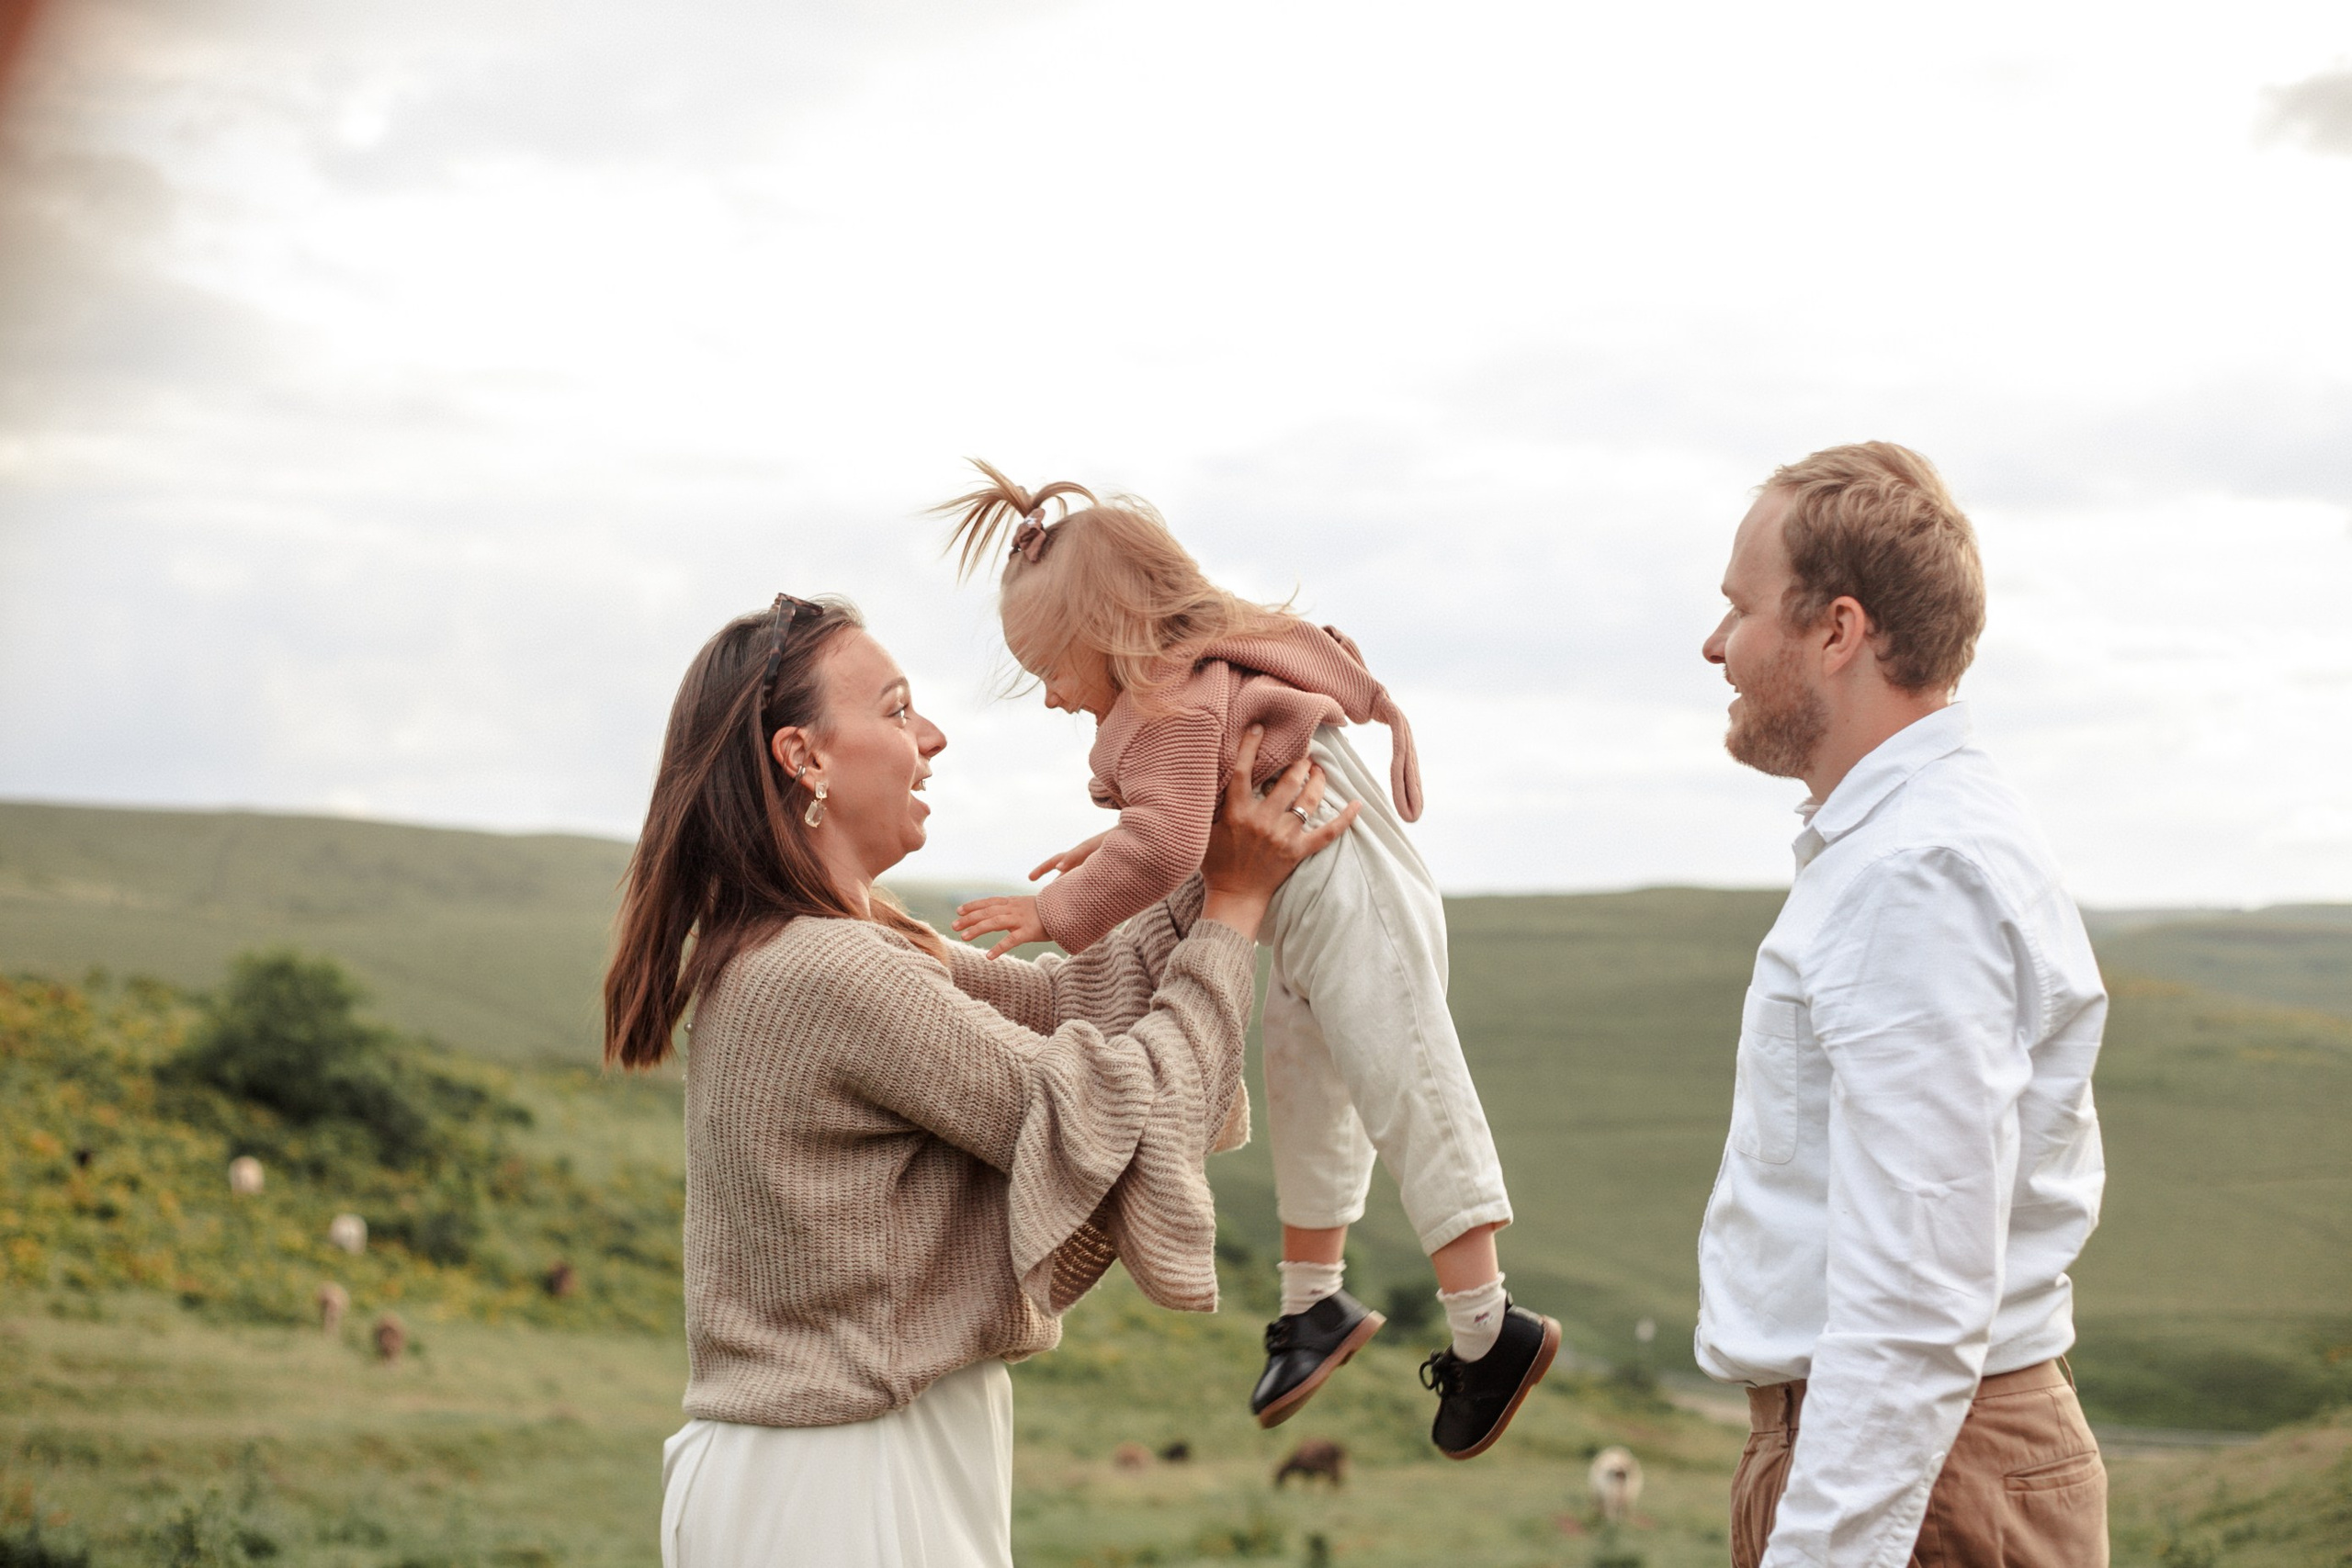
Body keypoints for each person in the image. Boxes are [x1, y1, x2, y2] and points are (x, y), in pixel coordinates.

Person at [602, 592, 1357, 1568]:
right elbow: (1108, 1111)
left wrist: (1195, 865)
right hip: (839, 1483)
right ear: (805, 757)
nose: (934, 735)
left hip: (838, 1466)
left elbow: (1064, 1008)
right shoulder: (827, 972)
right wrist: (1233, 907)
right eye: (897, 708)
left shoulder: (835, 951)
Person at [939, 463, 1559, 1460]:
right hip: (1306, 861)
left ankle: (1490, 1325)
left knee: (1401, 1069)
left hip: (1334, 847)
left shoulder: (1169, 709)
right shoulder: (1179, 691)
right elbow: (1183, 814)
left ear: (1107, 636)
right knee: (1309, 1071)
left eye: (1049, 668)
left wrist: (1059, 909)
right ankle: (1313, 1304)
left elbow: (1172, 843)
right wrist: (1111, 847)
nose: (1051, 700)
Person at [1696, 443, 2110, 1567]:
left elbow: (1915, 1302)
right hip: (1918, 1467)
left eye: (1738, 611)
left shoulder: (1909, 874)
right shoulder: (1910, 843)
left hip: (1917, 1480)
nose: (1714, 646)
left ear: (1837, 631)